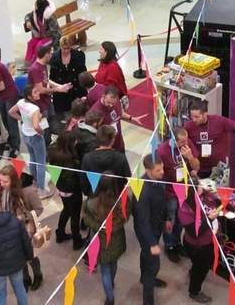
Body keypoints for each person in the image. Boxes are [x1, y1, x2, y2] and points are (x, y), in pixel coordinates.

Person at [178, 176, 235, 304]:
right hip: (197, 246)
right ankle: (194, 292)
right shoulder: (184, 209)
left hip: (210, 240)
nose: (202, 186)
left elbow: (220, 201)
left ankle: (194, 271)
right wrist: (210, 218)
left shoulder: (204, 195)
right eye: (199, 185)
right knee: (201, 269)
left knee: (199, 266)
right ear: (192, 191)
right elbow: (194, 233)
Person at [82, 172, 131, 305]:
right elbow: (125, 215)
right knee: (113, 263)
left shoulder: (91, 203)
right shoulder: (121, 201)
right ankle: (112, 283)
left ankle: (110, 299)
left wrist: (97, 225)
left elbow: (86, 218)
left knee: (105, 270)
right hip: (116, 239)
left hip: (99, 242)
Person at [156, 126, 200, 264]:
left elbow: (196, 167)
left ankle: (177, 243)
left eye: (186, 140)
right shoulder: (162, 152)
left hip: (184, 190)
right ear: (173, 140)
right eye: (182, 142)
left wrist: (190, 157)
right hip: (169, 192)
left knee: (182, 219)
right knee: (171, 220)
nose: (186, 143)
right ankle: (169, 246)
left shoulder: (188, 145)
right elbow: (157, 175)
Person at [133, 154, 172, 305]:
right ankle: (148, 301)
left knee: (146, 256)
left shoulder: (159, 180)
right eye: (158, 170)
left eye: (162, 168)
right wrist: (152, 243)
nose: (162, 172)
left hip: (156, 226)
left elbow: (163, 200)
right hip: (146, 232)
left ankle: (144, 277)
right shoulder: (143, 190)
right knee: (153, 266)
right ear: (148, 170)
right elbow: (142, 221)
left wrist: (167, 218)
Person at [9, 84, 53, 199]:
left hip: (25, 135)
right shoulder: (35, 109)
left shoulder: (21, 102)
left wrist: (22, 120)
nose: (38, 93)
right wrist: (41, 131)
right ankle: (42, 191)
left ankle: (35, 181)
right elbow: (35, 126)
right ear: (29, 96)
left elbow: (11, 112)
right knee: (41, 163)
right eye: (35, 92)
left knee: (33, 159)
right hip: (35, 137)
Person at [27, 45, 71, 147]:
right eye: (50, 54)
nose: (52, 55)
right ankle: (45, 146)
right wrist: (58, 90)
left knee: (51, 123)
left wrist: (61, 86)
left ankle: (49, 142)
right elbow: (41, 90)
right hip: (40, 105)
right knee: (45, 127)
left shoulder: (44, 65)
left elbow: (46, 81)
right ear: (46, 55)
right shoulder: (35, 69)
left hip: (47, 102)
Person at [48, 131, 84, 249]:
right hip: (72, 191)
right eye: (74, 141)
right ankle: (76, 241)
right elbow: (72, 179)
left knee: (66, 210)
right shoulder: (71, 161)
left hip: (60, 188)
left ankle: (60, 233)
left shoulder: (53, 152)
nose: (76, 142)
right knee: (75, 215)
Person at [91, 86, 147, 153]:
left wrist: (131, 118)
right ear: (103, 96)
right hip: (107, 149)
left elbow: (119, 113)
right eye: (108, 102)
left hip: (119, 143)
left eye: (113, 103)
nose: (111, 105)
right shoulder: (96, 111)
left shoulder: (117, 101)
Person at [80, 125, 131, 197]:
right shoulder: (120, 157)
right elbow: (126, 178)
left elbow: (83, 180)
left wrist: (88, 193)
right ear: (113, 140)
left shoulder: (88, 157)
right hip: (116, 194)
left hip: (95, 196)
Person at [50, 36, 87, 115]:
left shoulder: (79, 55)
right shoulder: (54, 57)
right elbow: (52, 76)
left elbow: (83, 72)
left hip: (76, 91)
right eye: (64, 49)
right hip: (61, 94)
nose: (66, 51)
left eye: (68, 48)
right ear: (60, 47)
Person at [23, 0, 61, 68]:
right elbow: (27, 16)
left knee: (38, 47)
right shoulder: (36, 12)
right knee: (30, 43)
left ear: (40, 6)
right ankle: (27, 64)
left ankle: (34, 65)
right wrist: (28, 21)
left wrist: (41, 35)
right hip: (40, 35)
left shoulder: (50, 16)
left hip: (52, 37)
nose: (35, 5)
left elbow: (52, 30)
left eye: (36, 4)